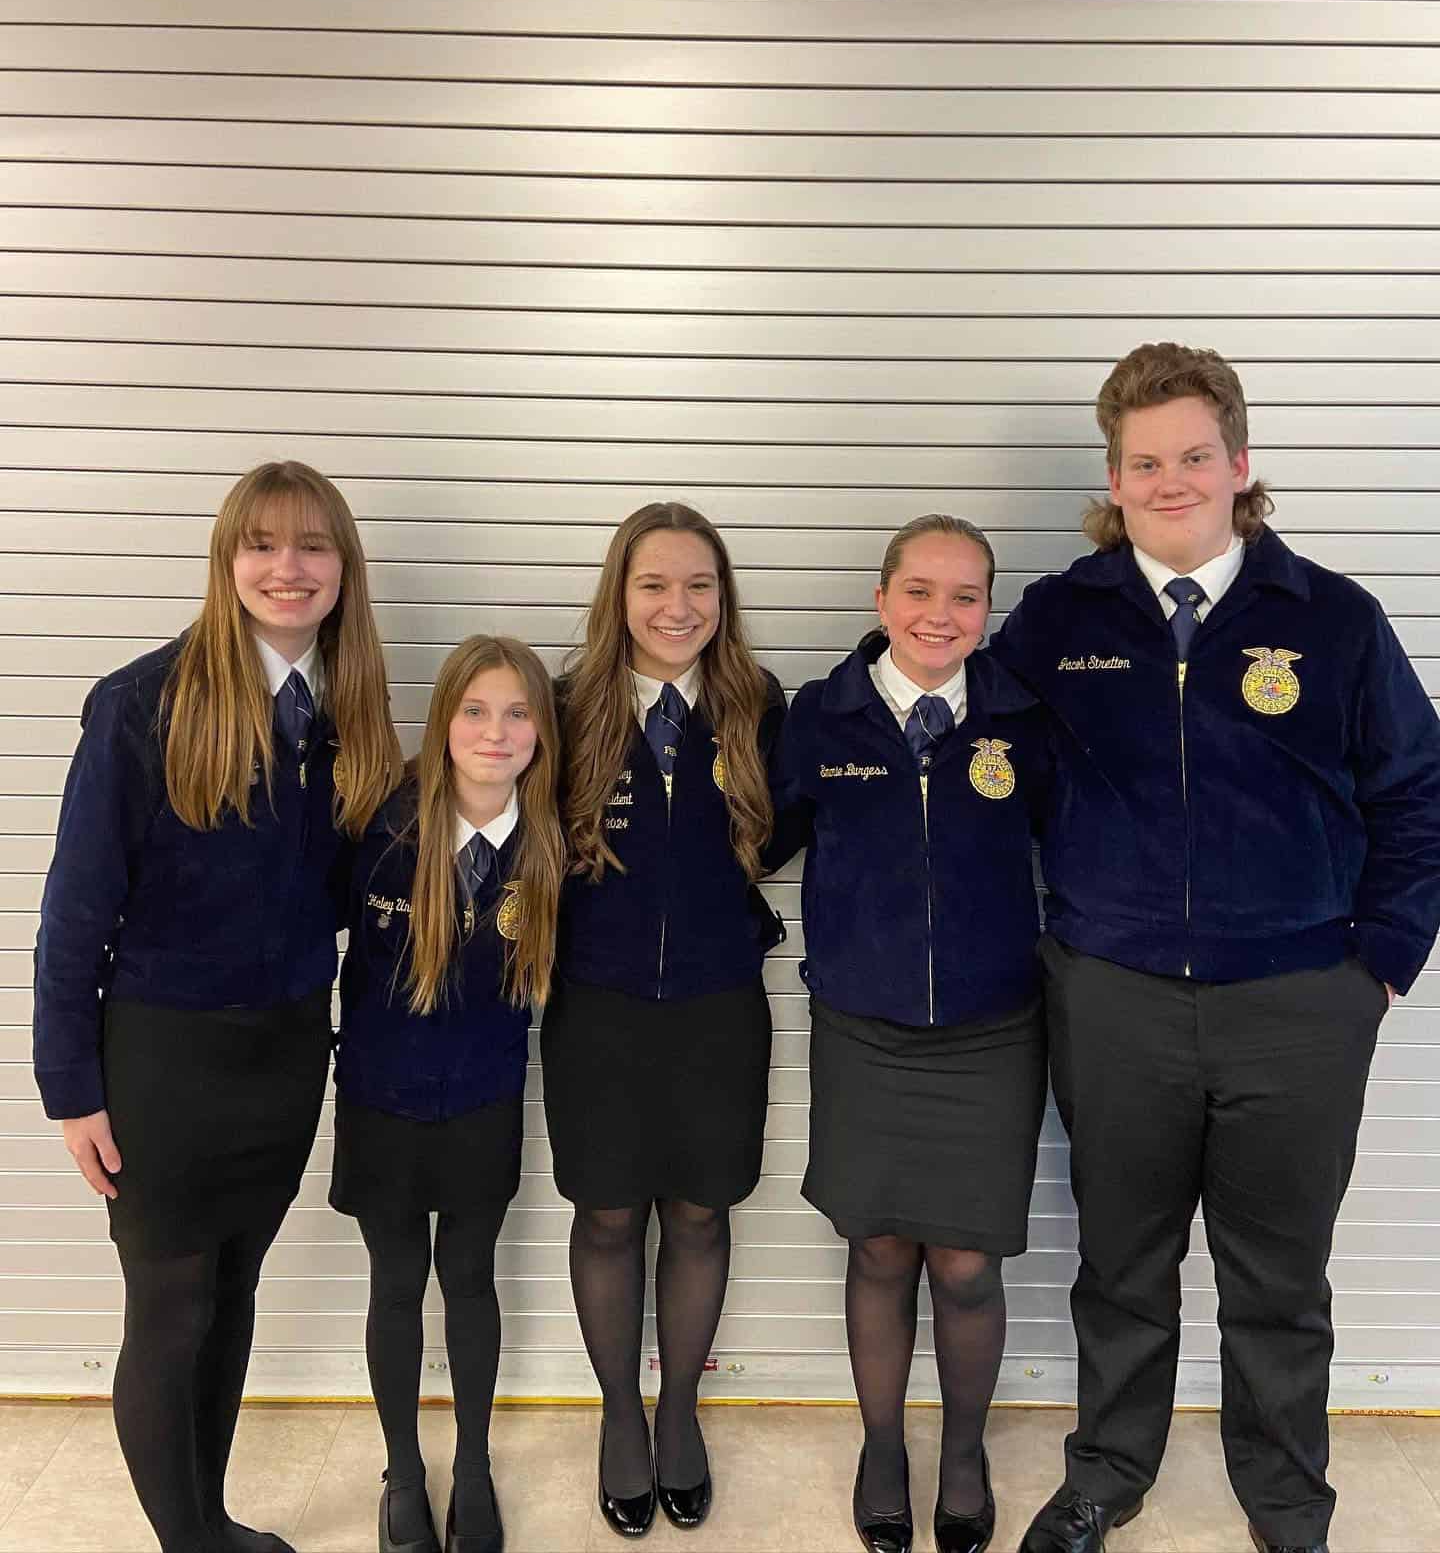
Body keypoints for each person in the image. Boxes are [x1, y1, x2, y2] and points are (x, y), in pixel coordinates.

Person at [991, 343, 1440, 1553]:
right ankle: (1108, 1472)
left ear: (1240, 464)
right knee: (1121, 1263)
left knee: (1280, 1279)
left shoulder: (1333, 620)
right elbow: (976, 758)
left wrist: (1382, 960)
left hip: (1299, 1003)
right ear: (1115, 475)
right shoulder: (1060, 616)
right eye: (1146, 461)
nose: (1170, 478)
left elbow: (1416, 792)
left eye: (1194, 455)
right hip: (1117, 998)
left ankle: (1289, 1499)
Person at [32, 461, 402, 1553]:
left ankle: (212, 1518)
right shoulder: (142, 703)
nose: (287, 568)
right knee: (171, 1307)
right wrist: (71, 1085)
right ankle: (187, 1542)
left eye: (313, 545)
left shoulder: (346, 711)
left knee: (232, 1293)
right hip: (164, 1062)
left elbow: (343, 891)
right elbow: (73, 914)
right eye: (263, 543)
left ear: (343, 568)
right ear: (227, 560)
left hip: (286, 1053)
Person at [768, 514, 1049, 1553]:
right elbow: (751, 837)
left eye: (966, 595)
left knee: (967, 1263)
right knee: (881, 1246)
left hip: (991, 1028)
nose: (942, 613)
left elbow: (1085, 844)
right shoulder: (823, 717)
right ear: (882, 600)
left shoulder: (1023, 718)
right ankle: (883, 1443)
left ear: (989, 610)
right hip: (865, 1025)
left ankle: (964, 1448)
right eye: (920, 591)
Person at [541, 501, 786, 1537]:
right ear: (619, 593)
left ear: (721, 597)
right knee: (605, 1213)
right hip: (593, 1006)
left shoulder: (759, 704)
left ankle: (679, 1409)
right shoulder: (563, 704)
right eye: (653, 584)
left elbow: (792, 826)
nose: (676, 605)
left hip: (716, 1005)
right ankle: (617, 1416)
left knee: (697, 1210)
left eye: (698, 584)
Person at [331, 635, 565, 1553]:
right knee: (396, 1280)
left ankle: (472, 1464)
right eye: (474, 709)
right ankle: (402, 1470)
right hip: (382, 1098)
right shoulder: (380, 829)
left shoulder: (550, 846)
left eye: (517, 712)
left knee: (469, 1277)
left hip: (483, 1099)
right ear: (443, 720)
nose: (495, 731)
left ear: (543, 732)